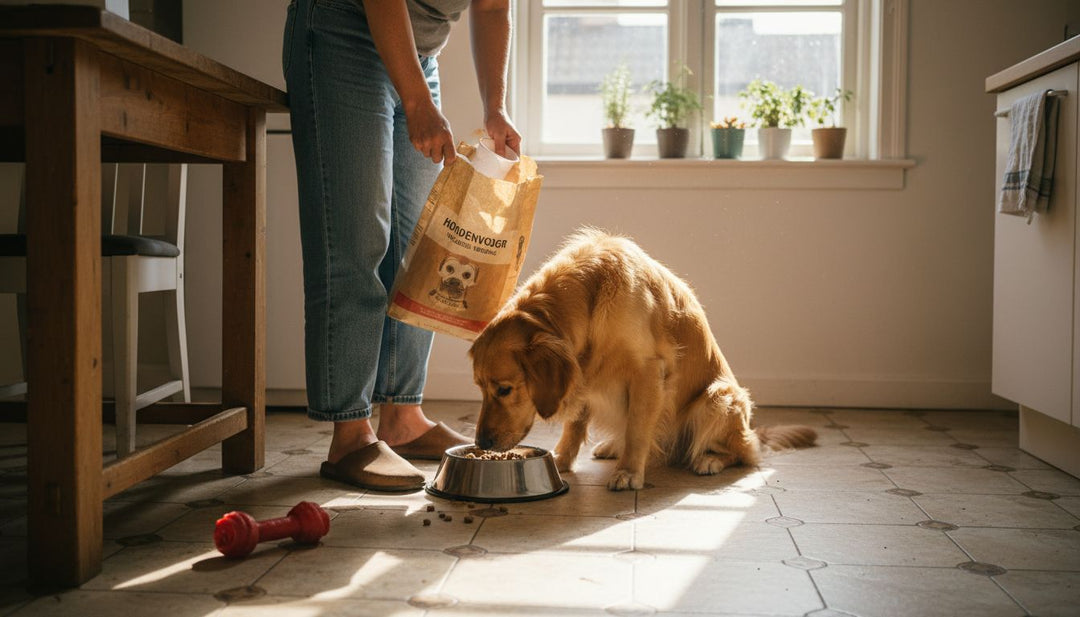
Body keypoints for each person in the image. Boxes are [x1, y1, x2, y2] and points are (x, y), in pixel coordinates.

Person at [283, 0, 521, 491]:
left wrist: (494, 106)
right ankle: (351, 433)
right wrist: (416, 102)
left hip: (419, 52)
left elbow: (494, 7)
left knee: (421, 250)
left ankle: (402, 418)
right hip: (341, 34)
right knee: (355, 242)